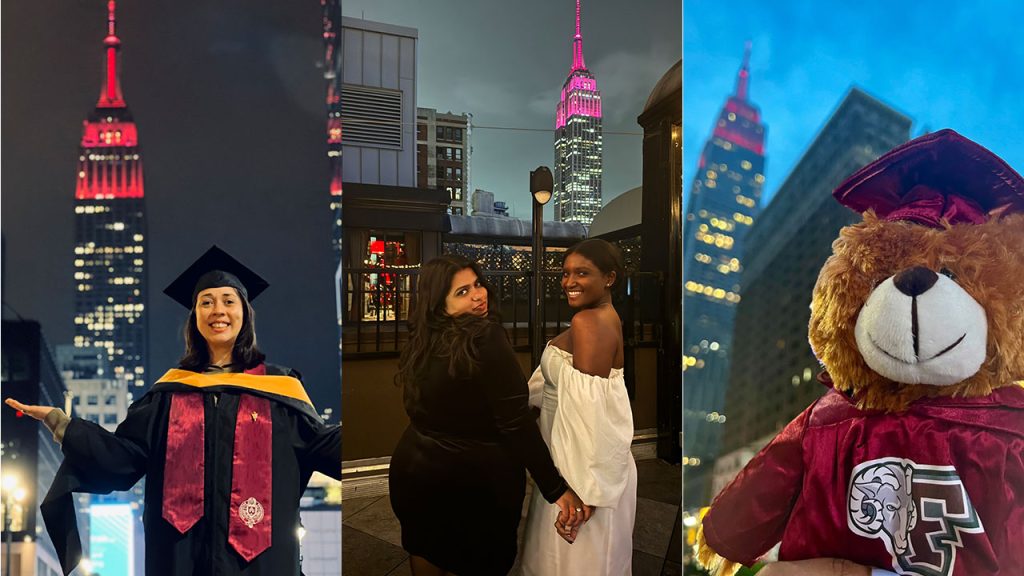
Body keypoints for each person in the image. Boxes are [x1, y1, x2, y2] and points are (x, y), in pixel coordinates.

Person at [5, 245, 341, 576]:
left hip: (262, 564)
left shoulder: (279, 391)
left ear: (244, 313)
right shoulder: (167, 397)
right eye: (206, 302)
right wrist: (60, 423)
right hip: (181, 561)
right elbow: (121, 458)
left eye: (228, 301)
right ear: (195, 316)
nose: (218, 311)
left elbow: (321, 445)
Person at [388, 255, 589, 576]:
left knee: (425, 551)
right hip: (471, 483)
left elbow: (441, 406)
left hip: (413, 472)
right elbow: (515, 424)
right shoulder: (485, 337)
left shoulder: (421, 339)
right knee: (480, 562)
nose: (478, 295)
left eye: (477, 284)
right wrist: (556, 489)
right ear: (439, 304)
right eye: (462, 292)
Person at [520, 239, 637, 575]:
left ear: (609, 278)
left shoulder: (590, 323)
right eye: (566, 272)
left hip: (578, 473)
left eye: (582, 273)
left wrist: (582, 496)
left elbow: (592, 419)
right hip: (577, 463)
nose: (569, 281)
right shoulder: (602, 317)